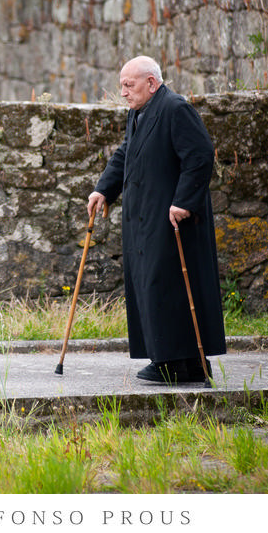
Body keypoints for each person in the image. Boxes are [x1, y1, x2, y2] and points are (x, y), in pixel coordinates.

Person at [87, 56, 226, 383]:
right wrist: (103, 190)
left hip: (172, 220)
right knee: (152, 285)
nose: (123, 92)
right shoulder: (139, 113)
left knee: (169, 286)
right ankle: (183, 362)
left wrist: (183, 202)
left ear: (151, 83)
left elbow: (200, 155)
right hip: (146, 219)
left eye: (128, 85)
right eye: (122, 85)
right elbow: (125, 153)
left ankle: (174, 363)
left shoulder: (175, 109)